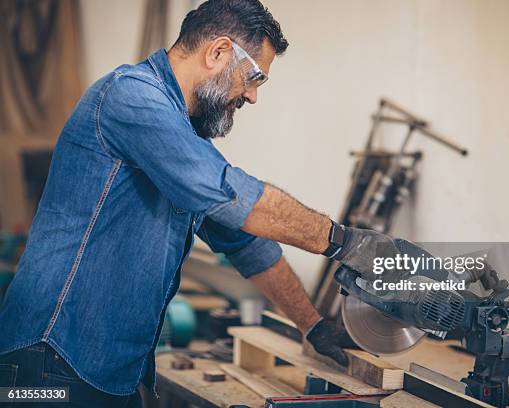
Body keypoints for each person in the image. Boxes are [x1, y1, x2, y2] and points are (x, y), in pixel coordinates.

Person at [0, 0, 398, 406]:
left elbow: (247, 244)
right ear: (218, 52)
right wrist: (347, 243)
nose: (252, 96)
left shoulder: (181, 136)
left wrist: (312, 326)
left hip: (109, 370)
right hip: (50, 359)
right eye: (253, 77)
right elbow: (236, 197)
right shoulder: (130, 97)